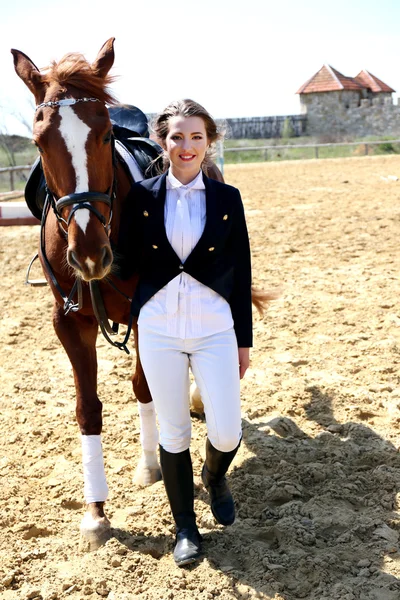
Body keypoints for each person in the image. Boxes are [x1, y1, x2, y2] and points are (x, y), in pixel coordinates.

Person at [118, 99, 252, 566]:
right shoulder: (142, 197)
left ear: (208, 142)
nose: (187, 146)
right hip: (158, 329)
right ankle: (185, 530)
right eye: (178, 137)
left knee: (228, 428)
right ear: (163, 141)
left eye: (196, 137)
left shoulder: (227, 198)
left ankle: (215, 477)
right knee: (173, 432)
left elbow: (242, 270)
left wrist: (243, 339)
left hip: (215, 327)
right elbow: (126, 263)